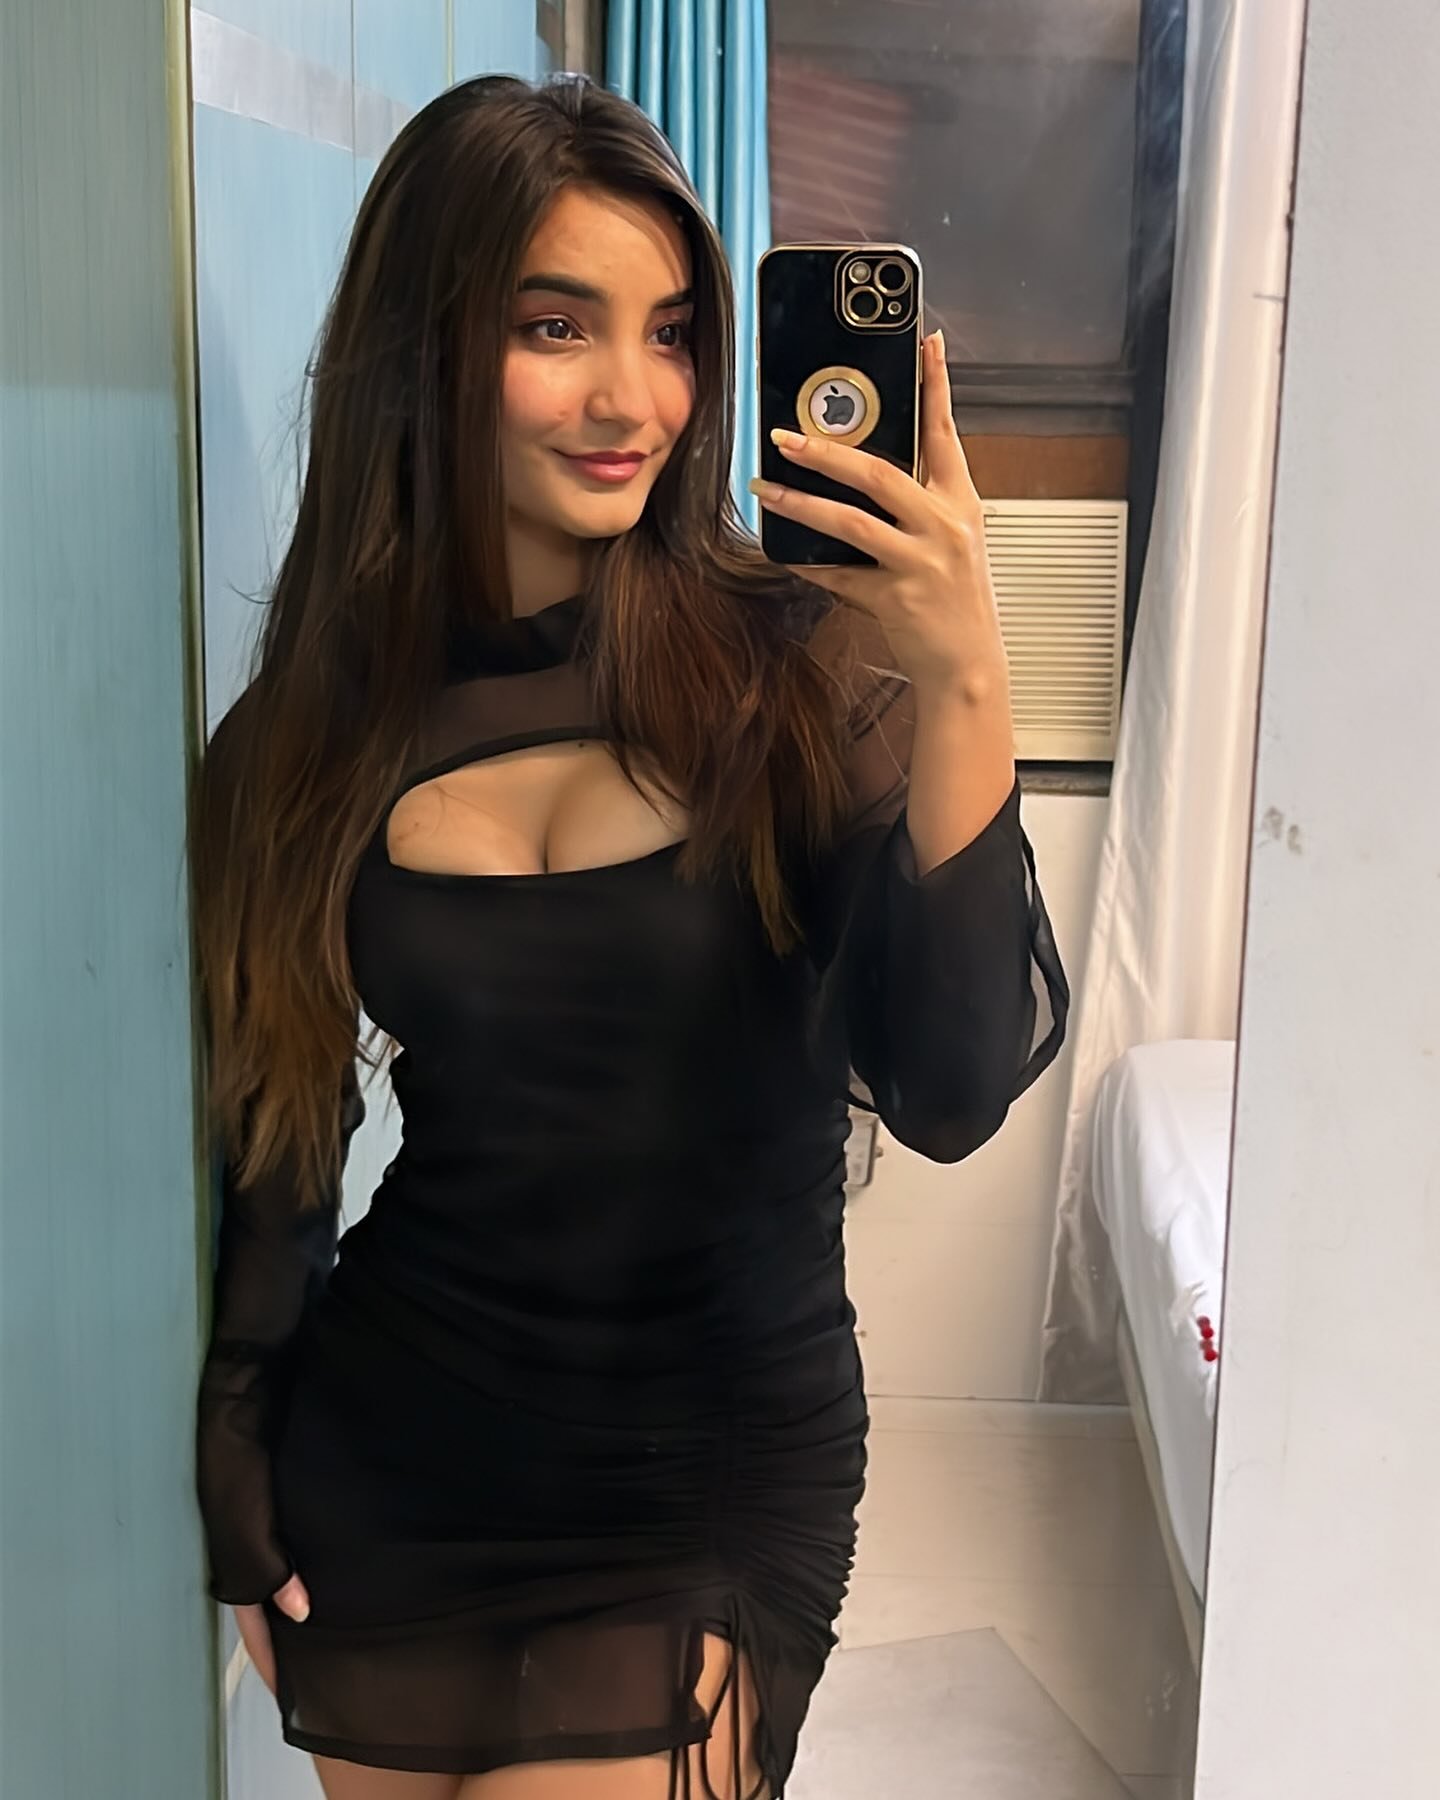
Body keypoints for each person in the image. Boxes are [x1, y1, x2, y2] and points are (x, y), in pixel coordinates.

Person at [190, 72, 1068, 1800]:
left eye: (671, 334)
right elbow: (284, 1138)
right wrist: (239, 1458)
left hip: (705, 1477)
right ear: (427, 348)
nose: (632, 397)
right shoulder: (305, 737)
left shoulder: (802, 665)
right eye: (555, 327)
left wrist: (967, 674)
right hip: (396, 1456)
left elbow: (954, 1084)